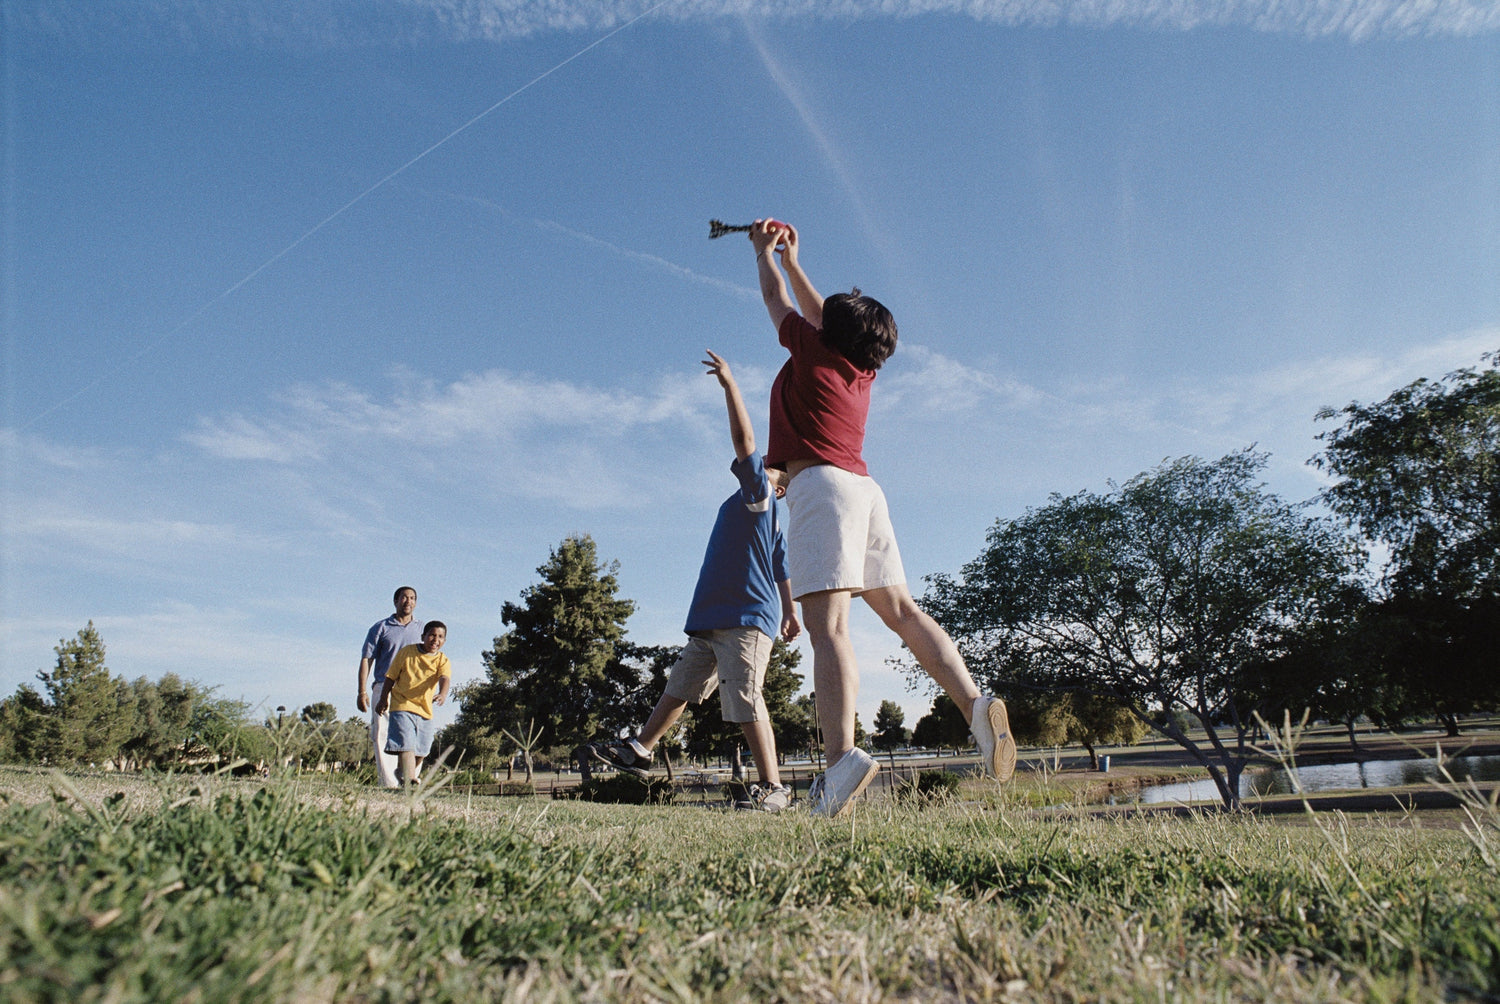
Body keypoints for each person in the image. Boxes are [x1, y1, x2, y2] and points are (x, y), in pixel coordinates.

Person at [748, 218, 1017, 818]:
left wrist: (767, 256)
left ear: (830, 331)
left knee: (829, 629)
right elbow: (821, 315)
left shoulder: (812, 346)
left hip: (820, 486)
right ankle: (975, 706)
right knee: (902, 612)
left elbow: (777, 302)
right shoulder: (860, 370)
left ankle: (842, 760)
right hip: (866, 490)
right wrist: (796, 261)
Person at [589, 350, 802, 812]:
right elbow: (781, 566)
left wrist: (730, 387)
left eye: (768, 466)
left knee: (746, 697)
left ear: (778, 485)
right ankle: (641, 749)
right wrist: (790, 610)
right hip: (713, 617)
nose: (758, 465)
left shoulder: (762, 498)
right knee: (679, 687)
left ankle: (775, 788)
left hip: (744, 618)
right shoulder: (761, 514)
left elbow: (745, 441)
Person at [357, 587, 424, 788]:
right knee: (382, 734)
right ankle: (388, 784)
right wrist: (361, 691)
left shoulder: (423, 629)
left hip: (413, 690)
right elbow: (366, 659)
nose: (408, 601)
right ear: (395, 601)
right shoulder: (380, 628)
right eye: (404, 597)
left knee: (415, 735)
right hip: (384, 687)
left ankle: (410, 780)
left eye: (412, 598)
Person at [374, 620, 452, 786]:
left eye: (440, 637)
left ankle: (402, 771)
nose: (435, 639)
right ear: (423, 636)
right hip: (402, 704)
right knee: (406, 743)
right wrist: (383, 699)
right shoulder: (407, 652)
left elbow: (445, 678)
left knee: (423, 749)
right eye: (431, 635)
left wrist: (442, 694)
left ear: (444, 641)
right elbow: (390, 677)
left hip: (425, 709)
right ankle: (409, 781)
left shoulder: (442, 660)